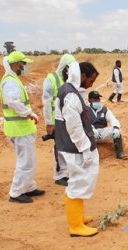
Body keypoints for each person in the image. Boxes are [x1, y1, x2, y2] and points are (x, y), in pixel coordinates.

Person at [55, 61, 100, 237]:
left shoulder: (70, 91)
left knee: (81, 181)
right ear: (82, 76)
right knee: (77, 182)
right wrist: (85, 148)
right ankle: (75, 225)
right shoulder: (71, 95)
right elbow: (74, 127)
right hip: (75, 147)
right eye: (91, 80)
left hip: (74, 146)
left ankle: (78, 217)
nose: (91, 85)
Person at [0, 51, 45, 203]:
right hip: (19, 129)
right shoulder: (10, 81)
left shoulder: (13, 79)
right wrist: (28, 113)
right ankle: (16, 192)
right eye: (23, 64)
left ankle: (28, 187)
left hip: (22, 128)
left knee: (29, 161)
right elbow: (12, 101)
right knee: (25, 162)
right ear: (15, 64)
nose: (24, 67)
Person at [42, 53, 75, 186]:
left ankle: (67, 173)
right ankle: (60, 175)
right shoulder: (51, 79)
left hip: (68, 120)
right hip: (57, 121)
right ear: (65, 67)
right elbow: (46, 101)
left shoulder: (69, 80)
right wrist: (49, 123)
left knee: (68, 147)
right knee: (60, 148)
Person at [87, 91, 128, 160]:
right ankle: (90, 157)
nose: (97, 100)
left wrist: (116, 128)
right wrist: (92, 129)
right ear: (89, 100)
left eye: (98, 99)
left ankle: (120, 153)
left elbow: (113, 119)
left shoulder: (104, 110)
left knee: (118, 131)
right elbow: (84, 123)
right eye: (94, 99)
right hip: (91, 134)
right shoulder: (85, 110)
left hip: (101, 133)